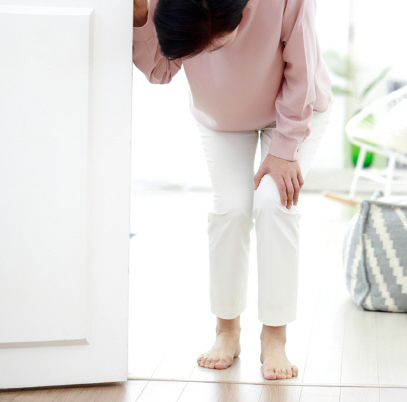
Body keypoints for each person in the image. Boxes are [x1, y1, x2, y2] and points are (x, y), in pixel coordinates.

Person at [132, 0, 333, 380]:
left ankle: (274, 337)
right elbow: (160, 70)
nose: (211, 53)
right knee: (232, 210)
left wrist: (285, 149)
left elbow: (303, 69)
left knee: (274, 204)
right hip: (223, 117)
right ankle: (226, 331)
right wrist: (140, 16)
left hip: (294, 111)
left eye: (219, 41)